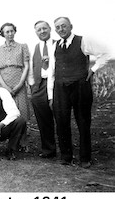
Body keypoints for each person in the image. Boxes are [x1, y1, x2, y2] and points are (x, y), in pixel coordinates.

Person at [48, 17, 110, 168]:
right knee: (61, 122)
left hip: (80, 87)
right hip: (60, 87)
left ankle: (85, 158)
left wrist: (93, 70)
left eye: (64, 26)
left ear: (71, 26)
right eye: (57, 27)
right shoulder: (54, 45)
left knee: (83, 122)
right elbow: (51, 70)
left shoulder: (83, 41)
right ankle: (66, 157)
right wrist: (51, 95)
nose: (61, 29)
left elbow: (106, 54)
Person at [28, 21, 56, 158]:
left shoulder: (57, 44)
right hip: (39, 86)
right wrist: (33, 86)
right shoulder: (35, 47)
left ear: (50, 29)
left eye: (44, 28)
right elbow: (32, 68)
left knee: (59, 116)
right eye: (39, 30)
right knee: (43, 119)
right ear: (36, 32)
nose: (42, 31)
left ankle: (65, 150)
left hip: (56, 84)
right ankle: (48, 150)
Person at [0, 22, 30, 121]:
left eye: (12, 31)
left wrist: (20, 84)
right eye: (7, 32)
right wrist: (5, 87)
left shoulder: (22, 47)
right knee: (5, 107)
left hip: (19, 80)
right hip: (3, 81)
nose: (10, 34)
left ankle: (23, 130)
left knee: (22, 107)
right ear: (3, 34)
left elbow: (26, 66)